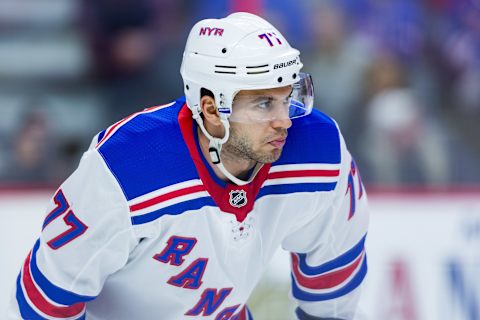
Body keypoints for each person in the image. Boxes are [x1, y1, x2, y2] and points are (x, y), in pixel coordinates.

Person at [8, 12, 369, 320]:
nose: (284, 122)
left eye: (287, 97)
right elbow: (46, 301)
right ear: (211, 110)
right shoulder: (127, 167)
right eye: (263, 104)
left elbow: (332, 288)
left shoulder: (318, 148)